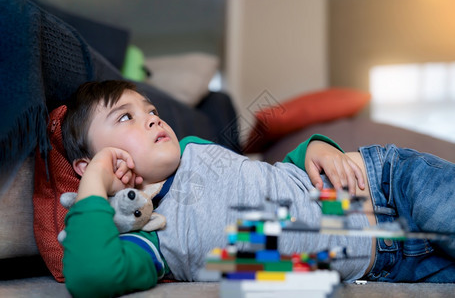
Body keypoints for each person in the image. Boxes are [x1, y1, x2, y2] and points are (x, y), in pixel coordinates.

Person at [61, 80, 455, 297]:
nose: (151, 119)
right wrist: (95, 180)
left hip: (384, 182)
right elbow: (90, 276)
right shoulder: (149, 243)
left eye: (151, 110)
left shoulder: (193, 147)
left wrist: (316, 147)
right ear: (87, 163)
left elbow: (273, 173)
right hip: (390, 262)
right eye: (125, 117)